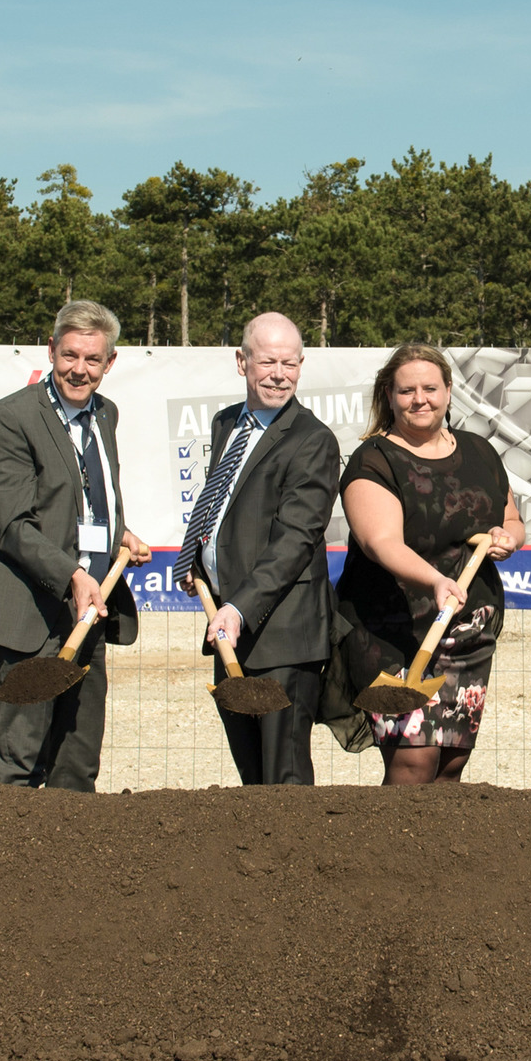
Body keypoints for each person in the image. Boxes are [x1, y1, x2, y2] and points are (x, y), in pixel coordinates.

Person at [0, 300, 149, 791]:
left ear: (110, 363)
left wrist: (115, 534)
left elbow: (81, 495)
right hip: (29, 611)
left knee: (78, 763)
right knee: (22, 762)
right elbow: (12, 524)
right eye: (69, 356)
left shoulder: (106, 415)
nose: (78, 370)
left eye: (91, 360)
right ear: (51, 350)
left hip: (89, 610)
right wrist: (73, 574)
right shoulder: (10, 419)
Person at [335, 343, 523, 785]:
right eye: (406, 391)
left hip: (466, 633)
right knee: (412, 761)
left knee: (451, 763)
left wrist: (506, 538)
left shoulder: (480, 452)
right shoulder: (375, 459)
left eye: (430, 388)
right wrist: (436, 579)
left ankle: (436, 855)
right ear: (389, 396)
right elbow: (380, 542)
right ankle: (390, 853)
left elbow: (512, 519)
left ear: (449, 391)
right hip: (394, 632)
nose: (420, 399)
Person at [176, 313, 341, 785]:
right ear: (241, 361)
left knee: (283, 774)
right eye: (267, 361)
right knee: (251, 774)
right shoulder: (227, 422)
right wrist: (198, 564)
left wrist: (238, 607)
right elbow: (222, 504)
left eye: (290, 363)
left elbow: (296, 538)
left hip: (284, 634)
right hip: (230, 625)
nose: (279, 374)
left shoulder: (313, 440)